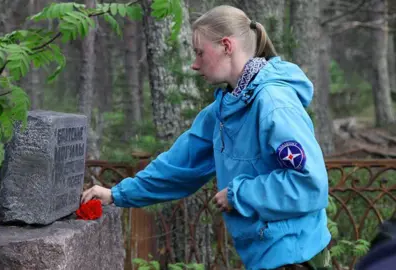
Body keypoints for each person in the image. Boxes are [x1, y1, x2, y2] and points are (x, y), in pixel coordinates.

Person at [82, 5, 332, 270]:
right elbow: (179, 167)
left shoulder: (273, 103)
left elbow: (309, 185)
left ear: (226, 46)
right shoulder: (224, 110)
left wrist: (240, 194)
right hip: (267, 257)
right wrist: (116, 194)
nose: (194, 64)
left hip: (297, 257)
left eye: (200, 52)